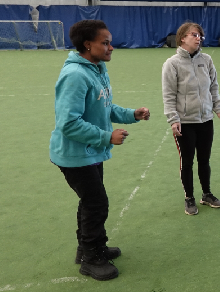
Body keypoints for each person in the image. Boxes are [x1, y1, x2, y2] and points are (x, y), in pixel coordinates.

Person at [50, 20, 150, 281]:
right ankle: (90, 258)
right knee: (96, 203)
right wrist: (107, 137)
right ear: (87, 45)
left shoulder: (97, 68)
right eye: (105, 43)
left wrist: (132, 115)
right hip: (74, 155)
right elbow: (68, 123)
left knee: (91, 202)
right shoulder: (75, 75)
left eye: (110, 42)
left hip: (90, 151)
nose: (111, 47)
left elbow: (105, 106)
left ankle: (89, 248)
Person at [162, 22, 220, 216]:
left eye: (200, 36)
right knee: (187, 162)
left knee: (204, 160)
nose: (198, 38)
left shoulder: (206, 60)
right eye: (194, 35)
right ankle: (189, 198)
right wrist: (173, 119)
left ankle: (206, 194)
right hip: (185, 123)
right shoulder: (172, 64)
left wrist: (218, 108)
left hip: (206, 120)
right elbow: (168, 95)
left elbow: (213, 87)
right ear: (182, 38)